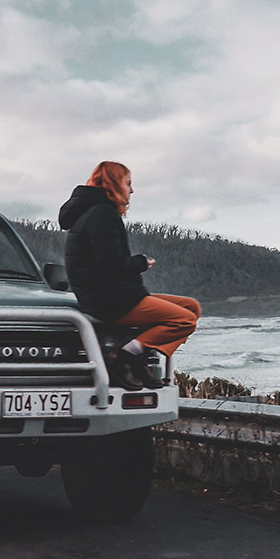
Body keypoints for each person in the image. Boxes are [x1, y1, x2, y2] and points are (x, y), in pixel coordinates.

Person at [59, 161, 200, 391]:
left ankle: (139, 354)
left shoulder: (95, 212)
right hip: (110, 300)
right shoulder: (101, 214)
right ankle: (126, 356)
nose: (131, 191)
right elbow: (111, 264)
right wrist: (141, 262)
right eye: (128, 183)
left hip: (113, 294)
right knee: (184, 320)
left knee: (191, 307)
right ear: (114, 184)